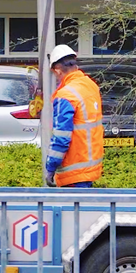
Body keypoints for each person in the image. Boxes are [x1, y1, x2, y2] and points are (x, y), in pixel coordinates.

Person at [44, 44, 104, 189]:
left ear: (57, 70)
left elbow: (61, 137)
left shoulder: (66, 95)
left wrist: (51, 167)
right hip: (90, 167)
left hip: (73, 172)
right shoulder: (90, 85)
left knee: (73, 211)